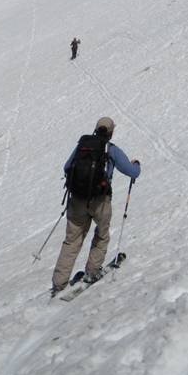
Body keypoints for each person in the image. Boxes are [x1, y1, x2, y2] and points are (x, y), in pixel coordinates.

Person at [51, 116, 140, 295]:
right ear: (111, 132)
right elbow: (132, 172)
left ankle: (59, 284)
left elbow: (67, 167)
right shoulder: (111, 149)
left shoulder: (82, 146)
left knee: (72, 240)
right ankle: (92, 272)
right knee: (101, 235)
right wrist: (136, 165)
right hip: (100, 200)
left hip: (77, 200)